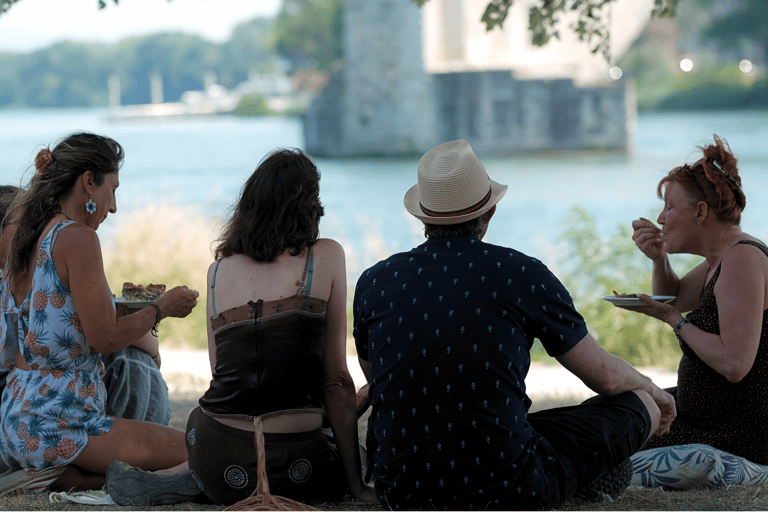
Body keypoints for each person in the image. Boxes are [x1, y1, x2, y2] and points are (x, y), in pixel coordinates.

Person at [353, 139, 676, 510]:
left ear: (424, 218)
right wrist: (657, 393)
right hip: (510, 487)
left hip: (402, 492)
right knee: (642, 405)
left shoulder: (375, 281)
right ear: (489, 214)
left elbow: (376, 374)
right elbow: (607, 378)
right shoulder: (522, 274)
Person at [108, 148, 376, 507]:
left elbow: (222, 372)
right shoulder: (325, 256)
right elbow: (336, 380)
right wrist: (357, 485)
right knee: (353, 451)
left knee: (218, 435)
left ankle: (185, 476)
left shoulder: (218, 271)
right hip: (298, 469)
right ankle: (185, 476)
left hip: (217, 457)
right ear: (309, 204)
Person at [0, 133, 199, 495]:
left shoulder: (27, 239)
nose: (114, 206)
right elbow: (104, 338)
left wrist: (123, 306)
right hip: (61, 421)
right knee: (204, 449)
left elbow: (54, 317)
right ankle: (78, 474)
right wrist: (161, 308)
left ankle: (68, 478)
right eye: (113, 189)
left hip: (17, 421)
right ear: (88, 182)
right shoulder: (78, 239)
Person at [627, 134, 768, 464]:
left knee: (610, 436)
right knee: (617, 410)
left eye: (669, 207)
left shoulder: (740, 259)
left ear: (701, 211)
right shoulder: (719, 258)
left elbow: (735, 364)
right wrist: (659, 259)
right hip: (705, 422)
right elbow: (674, 299)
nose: (661, 218)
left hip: (731, 437)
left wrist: (674, 322)